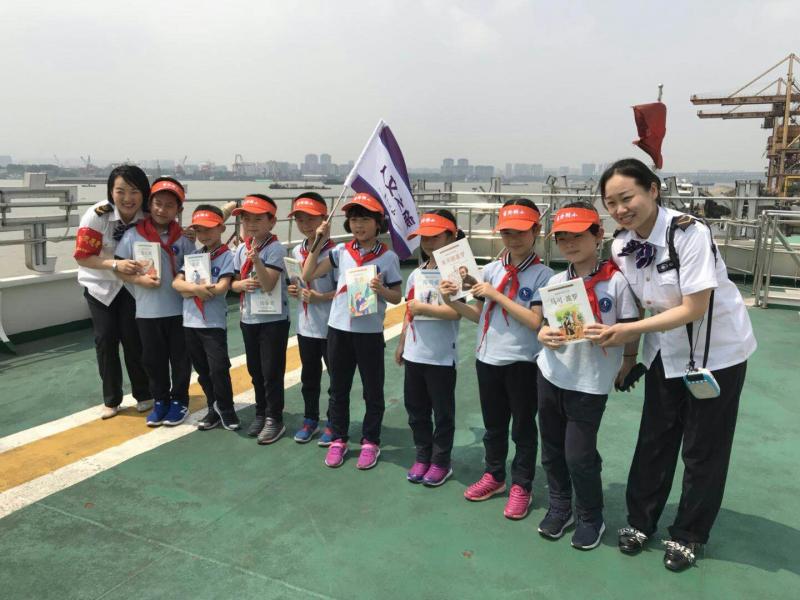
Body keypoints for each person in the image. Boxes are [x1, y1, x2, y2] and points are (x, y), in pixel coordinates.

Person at [593, 158, 757, 571]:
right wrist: (630, 355)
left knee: (703, 449)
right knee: (655, 439)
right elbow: (635, 302)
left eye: (627, 197)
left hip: (716, 355)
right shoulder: (621, 245)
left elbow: (694, 307)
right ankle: (640, 521)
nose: (620, 209)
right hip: (665, 353)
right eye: (611, 203)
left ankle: (689, 534)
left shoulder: (689, 233)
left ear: (653, 190)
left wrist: (629, 332)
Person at [535, 202, 640, 550]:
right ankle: (560, 505)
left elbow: (630, 328)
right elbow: (545, 324)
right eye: (562, 237)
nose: (569, 243)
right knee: (551, 450)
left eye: (577, 235)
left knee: (579, 455)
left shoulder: (616, 282)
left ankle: (590, 515)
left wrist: (626, 356)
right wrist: (542, 334)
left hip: (590, 382)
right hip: (551, 374)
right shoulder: (555, 282)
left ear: (598, 235)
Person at [442, 198, 553, 520]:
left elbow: (535, 322)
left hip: (523, 362)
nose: (513, 239)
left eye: (520, 231)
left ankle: (522, 484)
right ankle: (494, 475)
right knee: (493, 426)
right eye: (507, 232)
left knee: (523, 428)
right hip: (487, 359)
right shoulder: (490, 270)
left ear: (536, 231)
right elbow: (478, 315)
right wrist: (451, 299)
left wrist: (495, 294)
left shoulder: (544, 275)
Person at [302, 193, 402, 470]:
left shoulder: (388, 257)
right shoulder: (340, 252)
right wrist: (318, 242)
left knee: (373, 390)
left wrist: (381, 290)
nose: (359, 225)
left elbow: (397, 296)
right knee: (338, 389)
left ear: (378, 223)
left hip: (369, 333)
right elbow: (308, 274)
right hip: (338, 330)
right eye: (354, 219)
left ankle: (371, 441)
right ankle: (339, 438)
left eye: (365, 219)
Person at [115, 177, 196, 427]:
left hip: (180, 310)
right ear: (149, 205)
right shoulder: (132, 236)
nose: (162, 210)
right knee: (152, 360)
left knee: (180, 360)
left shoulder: (184, 240)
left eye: (170, 205)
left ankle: (180, 400)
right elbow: (120, 270)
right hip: (147, 311)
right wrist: (139, 281)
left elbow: (194, 271)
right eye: (158, 203)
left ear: (179, 210)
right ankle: (160, 400)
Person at [74, 165, 152, 419]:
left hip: (132, 286)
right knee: (106, 340)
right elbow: (83, 257)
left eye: (134, 191)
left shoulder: (148, 215)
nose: (128, 198)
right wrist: (115, 265)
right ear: (110, 192)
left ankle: (144, 393)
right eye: (120, 191)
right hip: (100, 286)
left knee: (134, 339)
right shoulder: (96, 216)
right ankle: (111, 399)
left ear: (144, 193)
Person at [395, 210, 463, 487]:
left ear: (451, 237)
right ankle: (422, 455)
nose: (429, 242)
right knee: (416, 410)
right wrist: (402, 343)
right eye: (425, 238)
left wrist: (425, 308)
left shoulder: (457, 273)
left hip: (441, 357)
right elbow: (409, 312)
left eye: (435, 237)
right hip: (415, 354)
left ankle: (441, 462)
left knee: (442, 413)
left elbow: (457, 312)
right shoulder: (416, 274)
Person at [172, 204, 238, 431]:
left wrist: (190, 290)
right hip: (190, 321)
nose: (204, 234)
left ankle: (227, 409)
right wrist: (196, 290)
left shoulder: (227, 255)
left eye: (209, 229)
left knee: (218, 368)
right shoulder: (194, 256)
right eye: (199, 230)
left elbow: (221, 288)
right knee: (202, 370)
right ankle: (213, 408)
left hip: (213, 322)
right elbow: (177, 284)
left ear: (221, 228)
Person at [230, 194, 290, 444]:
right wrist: (239, 284)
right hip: (249, 318)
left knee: (271, 371)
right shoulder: (241, 248)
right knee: (255, 370)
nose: (251, 224)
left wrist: (256, 260)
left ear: (272, 221)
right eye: (246, 219)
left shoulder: (275, 249)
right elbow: (233, 283)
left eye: (258, 219)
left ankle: (275, 418)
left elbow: (268, 284)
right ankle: (261, 412)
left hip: (273, 321)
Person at [286, 192, 337, 445]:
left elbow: (347, 291)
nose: (305, 225)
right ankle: (310, 419)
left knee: (336, 380)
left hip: (332, 327)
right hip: (306, 327)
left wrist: (321, 297)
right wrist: (294, 290)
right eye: (300, 220)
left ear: (324, 219)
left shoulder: (336, 252)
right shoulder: (297, 250)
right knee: (309, 377)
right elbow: (298, 281)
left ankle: (334, 422)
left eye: (311, 219)